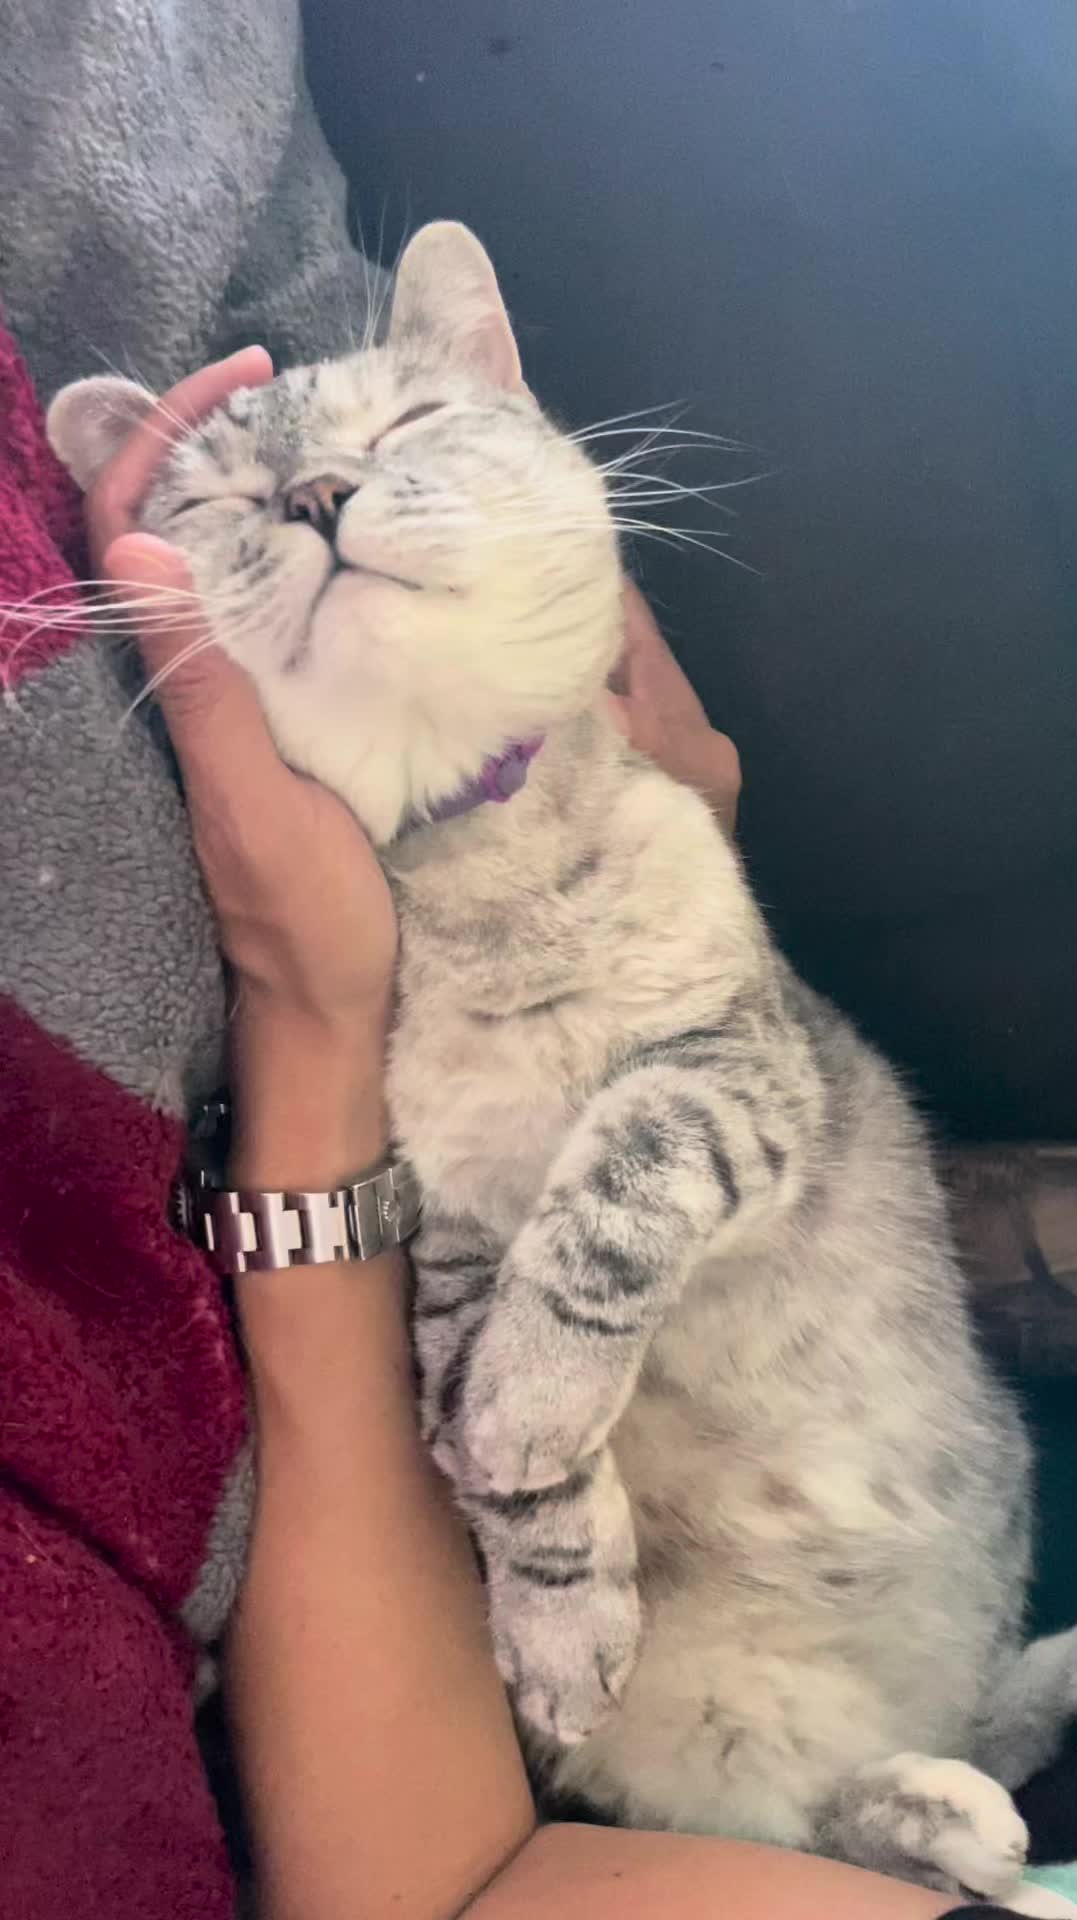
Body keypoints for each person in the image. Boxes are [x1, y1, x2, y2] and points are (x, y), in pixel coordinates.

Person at [82, 344, 1007, 1920]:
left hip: (843, 1602)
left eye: (401, 430)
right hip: (721, 1690)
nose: (320, 494)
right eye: (239, 498)